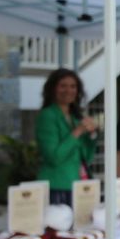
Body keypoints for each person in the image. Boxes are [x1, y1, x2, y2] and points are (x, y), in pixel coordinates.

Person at [36, 68, 98, 206]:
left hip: (78, 183)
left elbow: (86, 158)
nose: (68, 90)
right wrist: (78, 132)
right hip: (57, 186)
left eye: (72, 86)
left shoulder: (76, 117)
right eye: (63, 85)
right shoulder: (47, 116)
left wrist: (92, 136)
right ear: (53, 89)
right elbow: (54, 157)